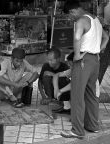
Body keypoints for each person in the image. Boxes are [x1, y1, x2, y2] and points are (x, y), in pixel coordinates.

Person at [61, 0, 109, 139]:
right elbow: (106, 38)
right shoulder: (96, 20)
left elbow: (77, 38)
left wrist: (76, 55)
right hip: (94, 60)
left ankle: (77, 130)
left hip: (83, 61)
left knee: (77, 96)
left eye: (70, 15)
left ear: (73, 11)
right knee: (91, 94)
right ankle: (93, 126)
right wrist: (98, 50)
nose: (71, 18)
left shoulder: (81, 20)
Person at [38, 48, 71, 112]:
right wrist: (44, 97)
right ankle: (50, 98)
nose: (49, 62)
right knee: (46, 76)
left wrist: (52, 74)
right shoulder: (45, 66)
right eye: (48, 60)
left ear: (58, 59)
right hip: (51, 93)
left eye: (51, 60)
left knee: (62, 79)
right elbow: (40, 82)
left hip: (61, 92)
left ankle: (64, 102)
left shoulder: (65, 67)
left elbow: (69, 84)